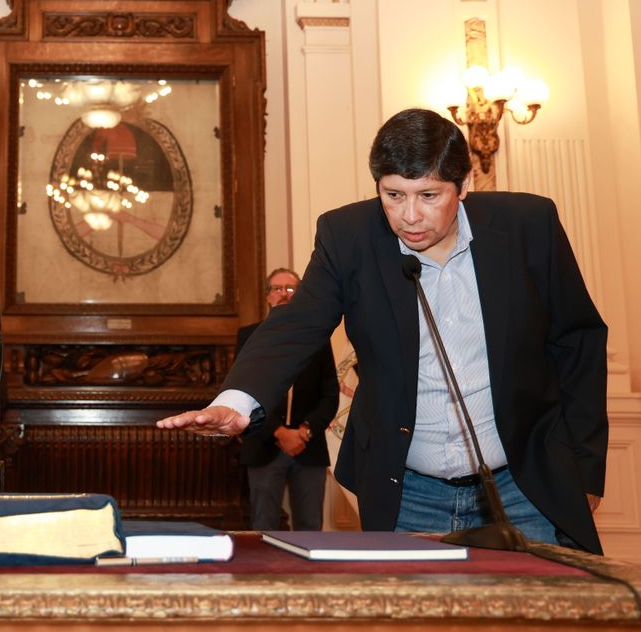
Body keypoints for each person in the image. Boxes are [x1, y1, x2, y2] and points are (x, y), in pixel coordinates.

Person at [159, 108, 607, 553]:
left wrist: (586, 470)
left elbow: (578, 341)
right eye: (393, 195)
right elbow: (297, 324)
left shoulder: (528, 225)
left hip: (525, 484)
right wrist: (237, 401)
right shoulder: (347, 235)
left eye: (428, 195)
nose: (409, 216)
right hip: (408, 492)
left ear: (464, 183)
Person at [235, 269, 339, 531]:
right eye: (277, 289)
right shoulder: (249, 336)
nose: (284, 294)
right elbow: (241, 393)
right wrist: (278, 431)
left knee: (310, 528)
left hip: (308, 448)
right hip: (263, 445)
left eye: (291, 289)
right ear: (267, 296)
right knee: (263, 528)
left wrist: (304, 431)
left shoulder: (318, 338)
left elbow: (329, 395)